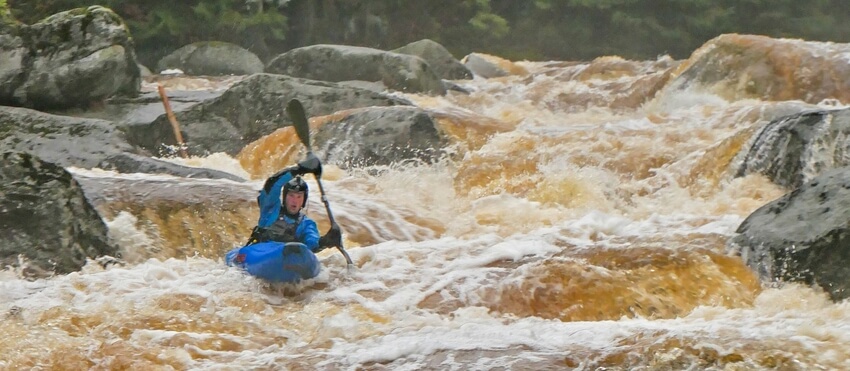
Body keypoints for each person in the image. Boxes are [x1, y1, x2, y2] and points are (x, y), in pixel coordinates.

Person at [246, 153, 342, 252]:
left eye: (299, 196)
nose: (294, 200)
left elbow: (313, 243)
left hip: (287, 260)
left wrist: (326, 241)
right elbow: (272, 184)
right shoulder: (271, 208)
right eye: (291, 195)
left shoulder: (306, 224)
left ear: (304, 200)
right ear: (284, 197)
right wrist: (299, 169)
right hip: (261, 253)